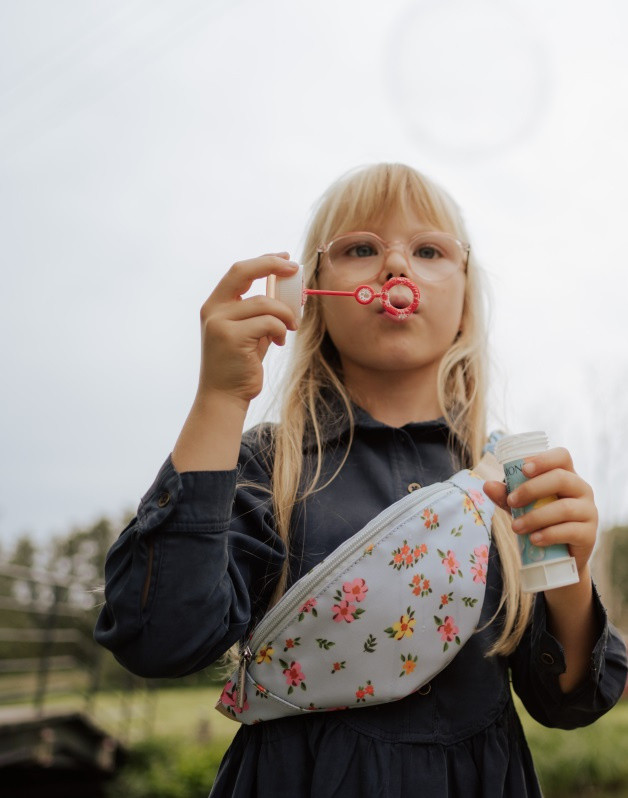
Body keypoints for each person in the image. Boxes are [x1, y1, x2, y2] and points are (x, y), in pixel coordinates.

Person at [95, 163, 627, 797]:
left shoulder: (509, 475)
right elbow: (159, 639)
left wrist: (570, 576)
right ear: (311, 294)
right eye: (360, 249)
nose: (395, 267)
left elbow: (568, 703)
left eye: (428, 250)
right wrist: (219, 396)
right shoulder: (269, 468)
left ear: (463, 297)